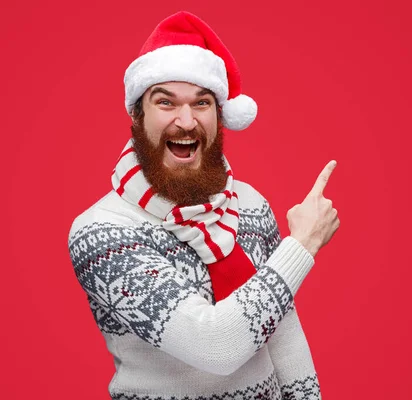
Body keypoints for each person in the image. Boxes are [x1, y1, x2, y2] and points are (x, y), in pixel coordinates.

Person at [67, 11, 339, 400]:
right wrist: (302, 245)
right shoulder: (102, 233)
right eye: (166, 102)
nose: (186, 120)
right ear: (136, 114)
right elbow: (216, 346)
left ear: (219, 115)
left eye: (202, 103)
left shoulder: (249, 204)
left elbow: (282, 330)